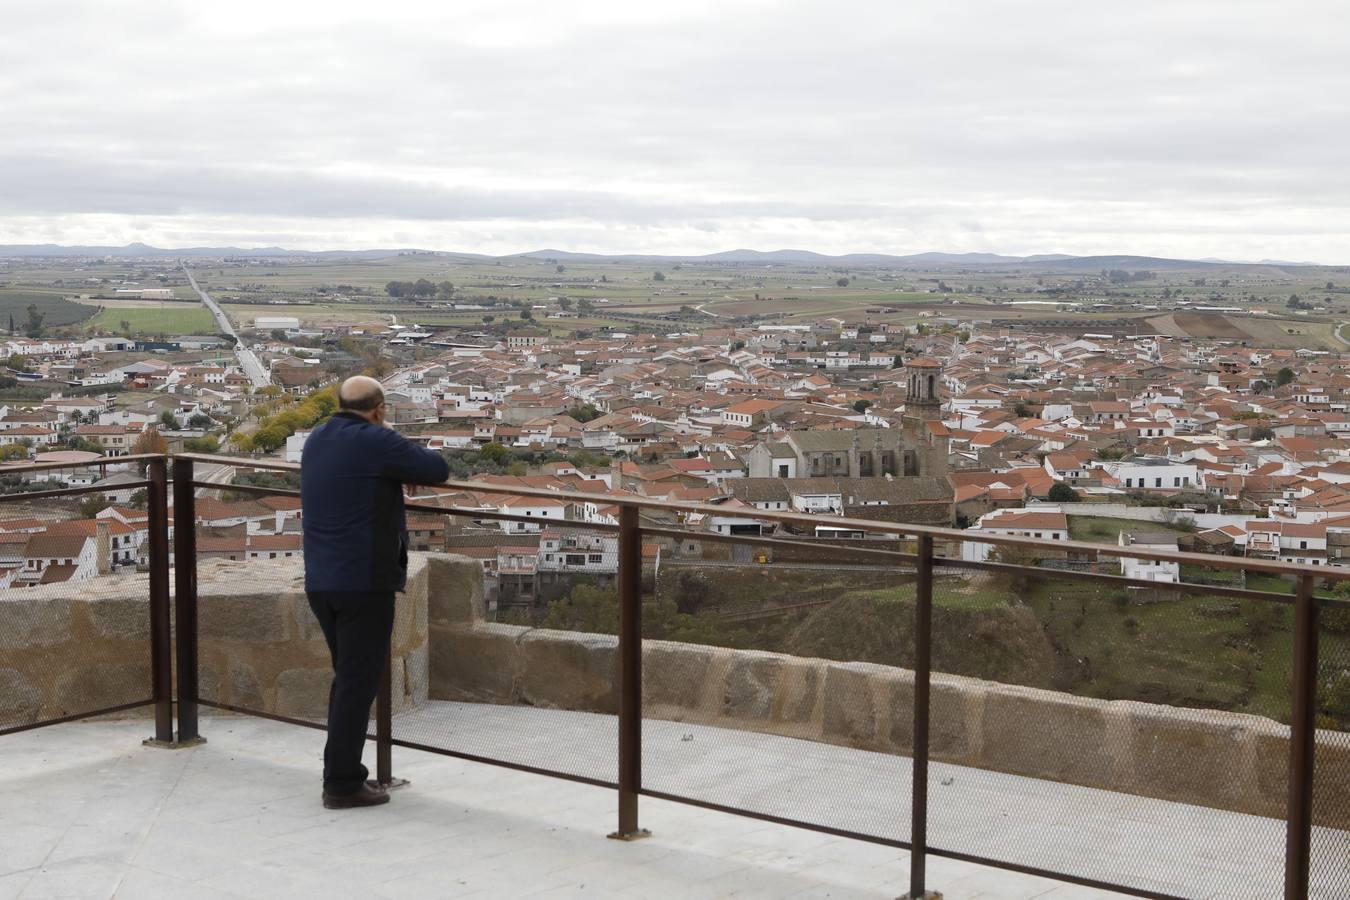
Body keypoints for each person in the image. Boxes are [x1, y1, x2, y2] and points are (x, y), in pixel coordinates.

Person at [301, 375, 450, 809]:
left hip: (322, 579)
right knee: (356, 683)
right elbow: (437, 469)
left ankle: (339, 771)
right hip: (363, 581)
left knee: (347, 679)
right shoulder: (375, 440)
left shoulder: (317, 437)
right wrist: (389, 442)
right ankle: (343, 784)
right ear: (380, 409)